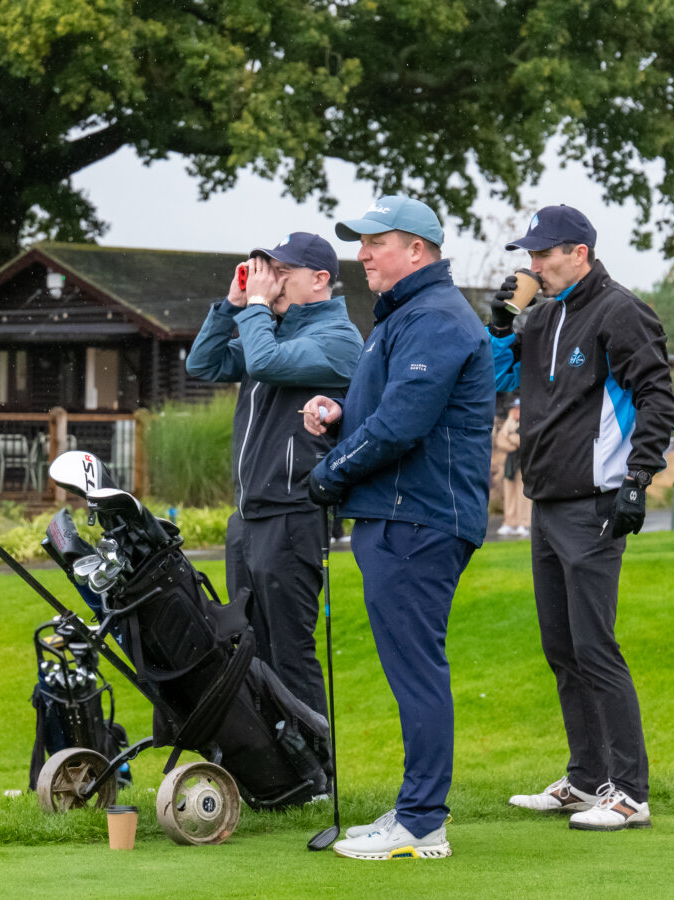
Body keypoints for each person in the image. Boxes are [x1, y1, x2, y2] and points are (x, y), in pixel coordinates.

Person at [299, 196, 494, 861]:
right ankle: (416, 810)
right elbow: (380, 410)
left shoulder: (435, 317)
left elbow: (403, 424)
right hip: (399, 514)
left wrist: (331, 474)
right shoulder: (405, 317)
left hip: (418, 517)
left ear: (417, 249)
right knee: (412, 666)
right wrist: (338, 414)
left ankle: (421, 822)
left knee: (416, 670)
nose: (362, 255)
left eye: (374, 242)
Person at [487, 205, 674, 831]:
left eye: (545, 254)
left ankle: (629, 791)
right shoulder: (541, 317)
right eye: (532, 255)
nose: (534, 265)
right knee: (561, 648)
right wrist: (499, 325)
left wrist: (639, 477)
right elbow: (496, 375)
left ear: (580, 253)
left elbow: (658, 398)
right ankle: (586, 778)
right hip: (547, 502)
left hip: (597, 502)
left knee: (596, 647)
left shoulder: (619, 310)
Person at [186, 231, 363, 719]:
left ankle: (314, 770)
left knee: (289, 649)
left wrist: (258, 307)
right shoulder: (274, 329)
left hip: (292, 513)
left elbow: (263, 361)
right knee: (247, 648)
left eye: (283, 271)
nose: (272, 280)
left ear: (319, 279)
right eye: (269, 270)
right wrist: (231, 305)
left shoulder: (337, 339)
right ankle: (275, 767)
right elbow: (202, 363)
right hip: (247, 518)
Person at [496, 400, 530, 537]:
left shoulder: (527, 421)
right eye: (514, 408)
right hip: (510, 463)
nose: (516, 411)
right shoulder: (509, 423)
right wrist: (510, 421)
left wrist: (510, 438)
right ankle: (510, 522)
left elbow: (523, 441)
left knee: (523, 495)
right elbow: (500, 440)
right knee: (509, 493)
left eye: (518, 408)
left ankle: (524, 523)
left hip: (523, 463)